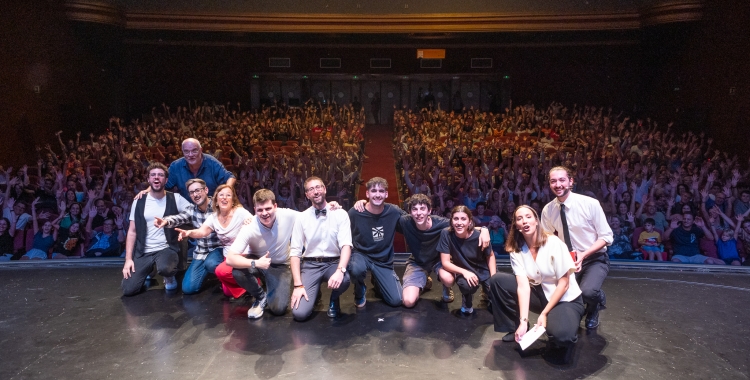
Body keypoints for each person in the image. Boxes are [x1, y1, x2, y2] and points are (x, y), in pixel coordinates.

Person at [489, 205, 584, 364]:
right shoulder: (516, 250)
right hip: (541, 295)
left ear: (536, 221)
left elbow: (564, 284)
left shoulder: (553, 243)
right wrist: (523, 321)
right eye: (519, 219)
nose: (524, 221)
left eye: (528, 217)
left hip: (565, 299)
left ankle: (563, 321)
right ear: (516, 226)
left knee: (563, 337)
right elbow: (523, 287)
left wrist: (544, 313)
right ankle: (515, 328)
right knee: (497, 280)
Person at [540, 166, 613, 329]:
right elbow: (547, 239)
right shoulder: (548, 210)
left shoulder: (590, 204)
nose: (558, 184)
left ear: (571, 181)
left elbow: (607, 236)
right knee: (564, 295)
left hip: (594, 259)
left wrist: (584, 254)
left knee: (588, 292)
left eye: (562, 180)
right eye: (553, 181)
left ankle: (595, 304)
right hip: (568, 261)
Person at [121, 163, 192, 296]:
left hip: (166, 248)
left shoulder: (175, 198)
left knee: (166, 269)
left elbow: (193, 212)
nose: (156, 178)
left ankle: (169, 277)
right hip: (144, 251)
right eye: (153, 175)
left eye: (160, 175)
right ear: (148, 180)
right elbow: (132, 231)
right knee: (128, 290)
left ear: (166, 180)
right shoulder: (139, 200)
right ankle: (149, 269)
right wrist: (128, 260)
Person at [173, 184, 252, 299]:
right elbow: (202, 232)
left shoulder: (240, 212)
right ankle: (246, 281)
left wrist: (251, 221)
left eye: (228, 195)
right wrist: (189, 233)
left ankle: (253, 281)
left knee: (222, 272)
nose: (224, 198)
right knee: (227, 292)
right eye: (221, 195)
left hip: (244, 254)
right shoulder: (213, 217)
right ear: (216, 200)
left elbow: (255, 224)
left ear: (233, 200)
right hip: (228, 255)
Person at [290, 176, 352, 321]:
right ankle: (314, 294)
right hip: (311, 264)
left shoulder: (340, 214)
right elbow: (295, 252)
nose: (316, 191)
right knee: (299, 314)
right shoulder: (302, 218)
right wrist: (298, 284)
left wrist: (340, 270)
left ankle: (334, 299)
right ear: (306, 195)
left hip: (333, 263)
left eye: (318, 187)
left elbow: (346, 245)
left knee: (344, 279)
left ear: (324, 189)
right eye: (311, 189)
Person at [153, 179, 223, 294]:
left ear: (206, 190)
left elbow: (235, 210)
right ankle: (209, 272)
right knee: (188, 288)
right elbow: (179, 217)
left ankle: (223, 277)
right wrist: (165, 221)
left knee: (211, 263)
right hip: (202, 252)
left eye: (198, 190)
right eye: (191, 192)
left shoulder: (218, 206)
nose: (195, 194)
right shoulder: (191, 209)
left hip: (219, 249)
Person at [348, 177, 404, 308]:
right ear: (367, 194)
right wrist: (333, 205)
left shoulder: (394, 211)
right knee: (356, 269)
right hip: (362, 255)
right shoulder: (355, 212)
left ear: (386, 194)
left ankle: (378, 281)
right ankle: (359, 289)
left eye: (381, 191)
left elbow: (413, 222)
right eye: (373, 191)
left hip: (383, 260)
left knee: (396, 301)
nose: (377, 194)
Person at [437, 205, 496, 315]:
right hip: (463, 269)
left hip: (482, 269)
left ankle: (488, 295)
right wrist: (465, 272)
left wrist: (494, 277)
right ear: (451, 221)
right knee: (467, 286)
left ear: (470, 221)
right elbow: (445, 262)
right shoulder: (446, 234)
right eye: (456, 219)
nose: (459, 222)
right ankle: (467, 299)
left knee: (496, 295)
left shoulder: (480, 235)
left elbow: (490, 255)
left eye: (463, 219)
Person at [165, 138, 236, 201]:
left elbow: (230, 177)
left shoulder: (211, 162)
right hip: (186, 209)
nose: (190, 155)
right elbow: (164, 185)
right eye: (186, 151)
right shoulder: (176, 166)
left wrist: (227, 190)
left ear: (201, 150)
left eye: (194, 151)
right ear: (182, 152)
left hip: (211, 208)